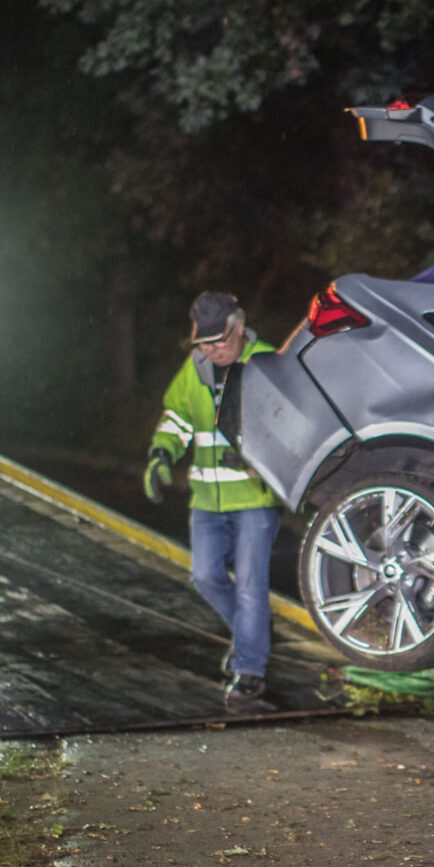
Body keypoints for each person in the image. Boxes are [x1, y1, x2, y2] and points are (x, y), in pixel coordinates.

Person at [145, 292, 279, 712]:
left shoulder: (269, 362)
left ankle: (250, 674)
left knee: (252, 588)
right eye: (204, 343)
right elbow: (177, 419)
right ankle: (250, 638)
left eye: (219, 341)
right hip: (206, 498)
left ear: (239, 328)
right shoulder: (195, 368)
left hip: (255, 499)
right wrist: (161, 453)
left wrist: (262, 456)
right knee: (204, 576)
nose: (213, 350)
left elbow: (292, 425)